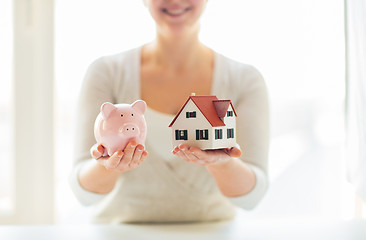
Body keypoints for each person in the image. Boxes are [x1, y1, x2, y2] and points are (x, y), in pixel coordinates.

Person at [70, 0, 269, 223]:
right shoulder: (106, 73)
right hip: (122, 233)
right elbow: (82, 193)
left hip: (209, 235)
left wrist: (223, 164)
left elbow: (253, 198)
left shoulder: (244, 80)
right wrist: (108, 166)